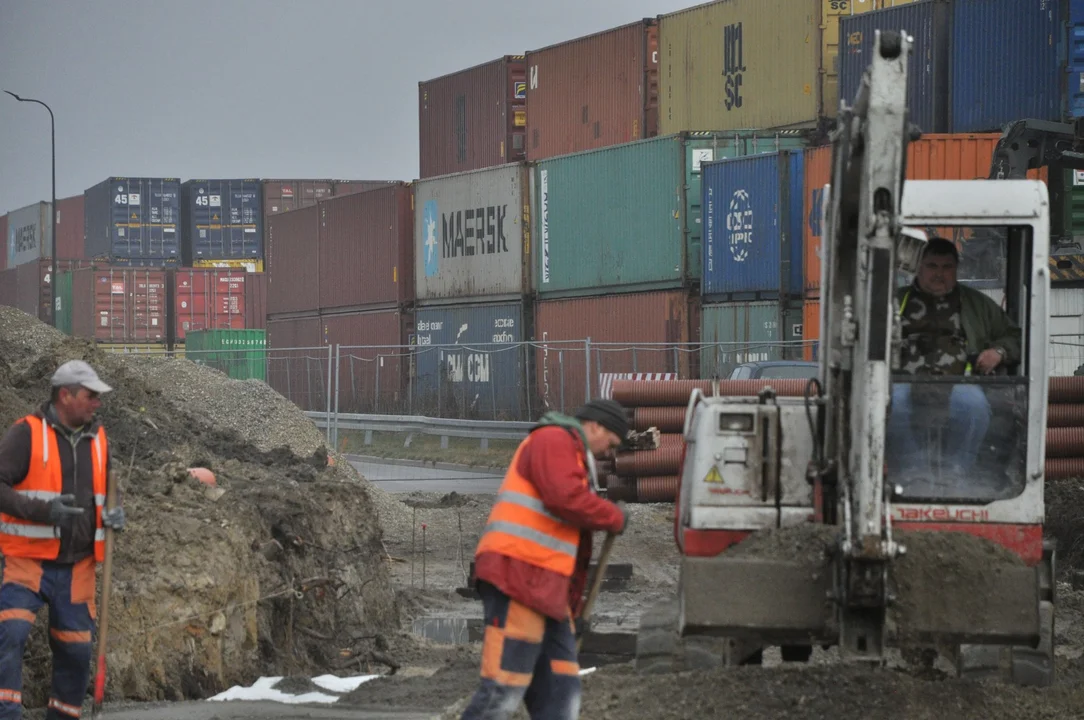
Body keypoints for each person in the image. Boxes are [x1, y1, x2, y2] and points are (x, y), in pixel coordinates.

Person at [460, 399, 630, 720]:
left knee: (562, 695)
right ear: (596, 426)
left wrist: (573, 610)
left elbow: (569, 550)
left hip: (548, 592)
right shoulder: (553, 440)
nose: (609, 451)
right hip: (517, 579)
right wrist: (612, 515)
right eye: (612, 442)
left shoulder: (575, 456)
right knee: (502, 693)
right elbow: (563, 498)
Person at [0, 360, 126, 720]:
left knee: (74, 653)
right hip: (28, 563)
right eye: (91, 396)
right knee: (11, 635)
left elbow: (107, 493)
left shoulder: (99, 440)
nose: (97, 403)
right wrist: (42, 510)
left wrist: (116, 514)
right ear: (65, 395)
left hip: (77, 568)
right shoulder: (26, 434)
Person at [888, 237, 1021, 481]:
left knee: (975, 407)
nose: (939, 274)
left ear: (956, 269)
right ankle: (909, 471)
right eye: (932, 266)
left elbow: (1015, 335)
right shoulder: (894, 302)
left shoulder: (976, 304)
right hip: (903, 382)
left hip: (961, 383)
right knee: (892, 405)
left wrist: (999, 352)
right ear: (919, 268)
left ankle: (958, 472)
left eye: (946, 267)